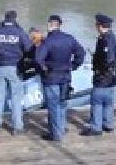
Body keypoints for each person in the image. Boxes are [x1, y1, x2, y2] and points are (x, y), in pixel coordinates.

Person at [35, 14, 85, 142]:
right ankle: (61, 128)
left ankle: (56, 134)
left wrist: (44, 69)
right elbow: (81, 53)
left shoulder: (47, 41)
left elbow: (38, 59)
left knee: (53, 106)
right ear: (60, 25)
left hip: (51, 78)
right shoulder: (69, 39)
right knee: (62, 104)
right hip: (66, 76)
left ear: (49, 24)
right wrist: (74, 65)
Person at [0, 10, 32, 135]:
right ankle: (16, 126)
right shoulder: (20, 32)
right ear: (15, 19)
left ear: (4, 18)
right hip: (15, 68)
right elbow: (29, 49)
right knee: (16, 97)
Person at [81, 14, 116, 136]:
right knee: (108, 101)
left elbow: (108, 59)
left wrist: (98, 67)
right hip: (112, 76)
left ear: (100, 26)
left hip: (103, 76)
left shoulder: (105, 39)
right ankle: (108, 124)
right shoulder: (114, 37)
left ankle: (96, 127)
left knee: (97, 101)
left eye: (96, 24)